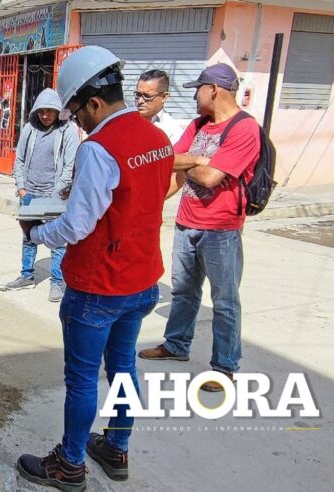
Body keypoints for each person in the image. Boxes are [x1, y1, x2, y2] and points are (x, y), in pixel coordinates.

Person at [14, 46, 173, 491]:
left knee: (81, 380)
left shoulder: (99, 148)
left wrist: (36, 234)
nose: (75, 120)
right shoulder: (157, 139)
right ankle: (117, 448)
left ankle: (69, 465)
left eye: (77, 111)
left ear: (95, 103)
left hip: (98, 285)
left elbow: (78, 225)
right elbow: (136, 200)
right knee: (123, 368)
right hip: (142, 280)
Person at [137, 63, 261, 393]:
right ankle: (176, 345)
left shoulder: (244, 129)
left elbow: (209, 178)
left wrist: (192, 161)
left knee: (224, 301)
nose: (194, 95)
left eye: (197, 89)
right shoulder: (199, 125)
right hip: (186, 223)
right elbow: (169, 159)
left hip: (221, 230)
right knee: (183, 292)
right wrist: (199, 160)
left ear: (214, 90)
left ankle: (224, 366)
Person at [0, 88, 80, 301]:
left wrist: (55, 193)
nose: (45, 116)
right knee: (28, 237)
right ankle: (26, 276)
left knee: (57, 241)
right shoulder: (30, 129)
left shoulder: (67, 131)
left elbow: (70, 166)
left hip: (54, 196)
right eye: (42, 111)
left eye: (50, 111)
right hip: (30, 194)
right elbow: (19, 160)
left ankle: (57, 282)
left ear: (58, 111)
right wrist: (22, 188)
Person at [136, 69, 185, 143]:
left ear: (164, 97)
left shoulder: (172, 130)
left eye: (147, 96)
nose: (140, 101)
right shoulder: (125, 122)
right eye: (138, 95)